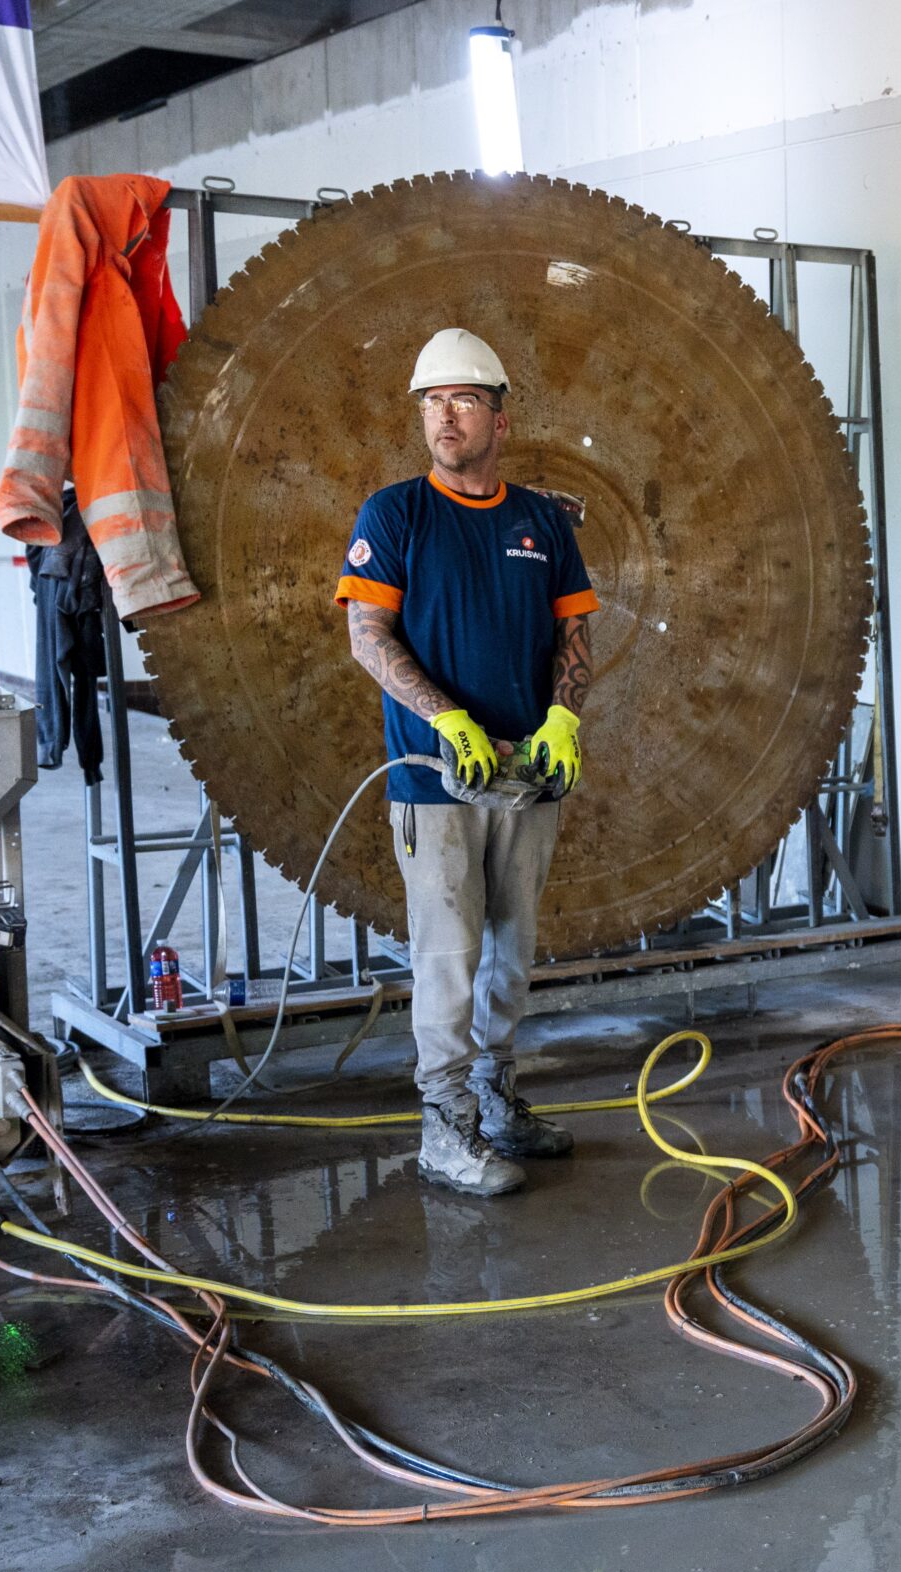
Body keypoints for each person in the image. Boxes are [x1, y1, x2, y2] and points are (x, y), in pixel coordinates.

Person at [334, 328, 597, 1197]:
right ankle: (443, 1129)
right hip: (434, 778)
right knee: (448, 957)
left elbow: (574, 629)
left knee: (509, 953)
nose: (443, 417)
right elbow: (366, 634)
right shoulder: (395, 514)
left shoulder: (541, 522)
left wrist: (563, 715)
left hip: (525, 778)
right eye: (430, 402)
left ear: (499, 417)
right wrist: (447, 718)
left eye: (462, 401)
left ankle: (496, 1104)